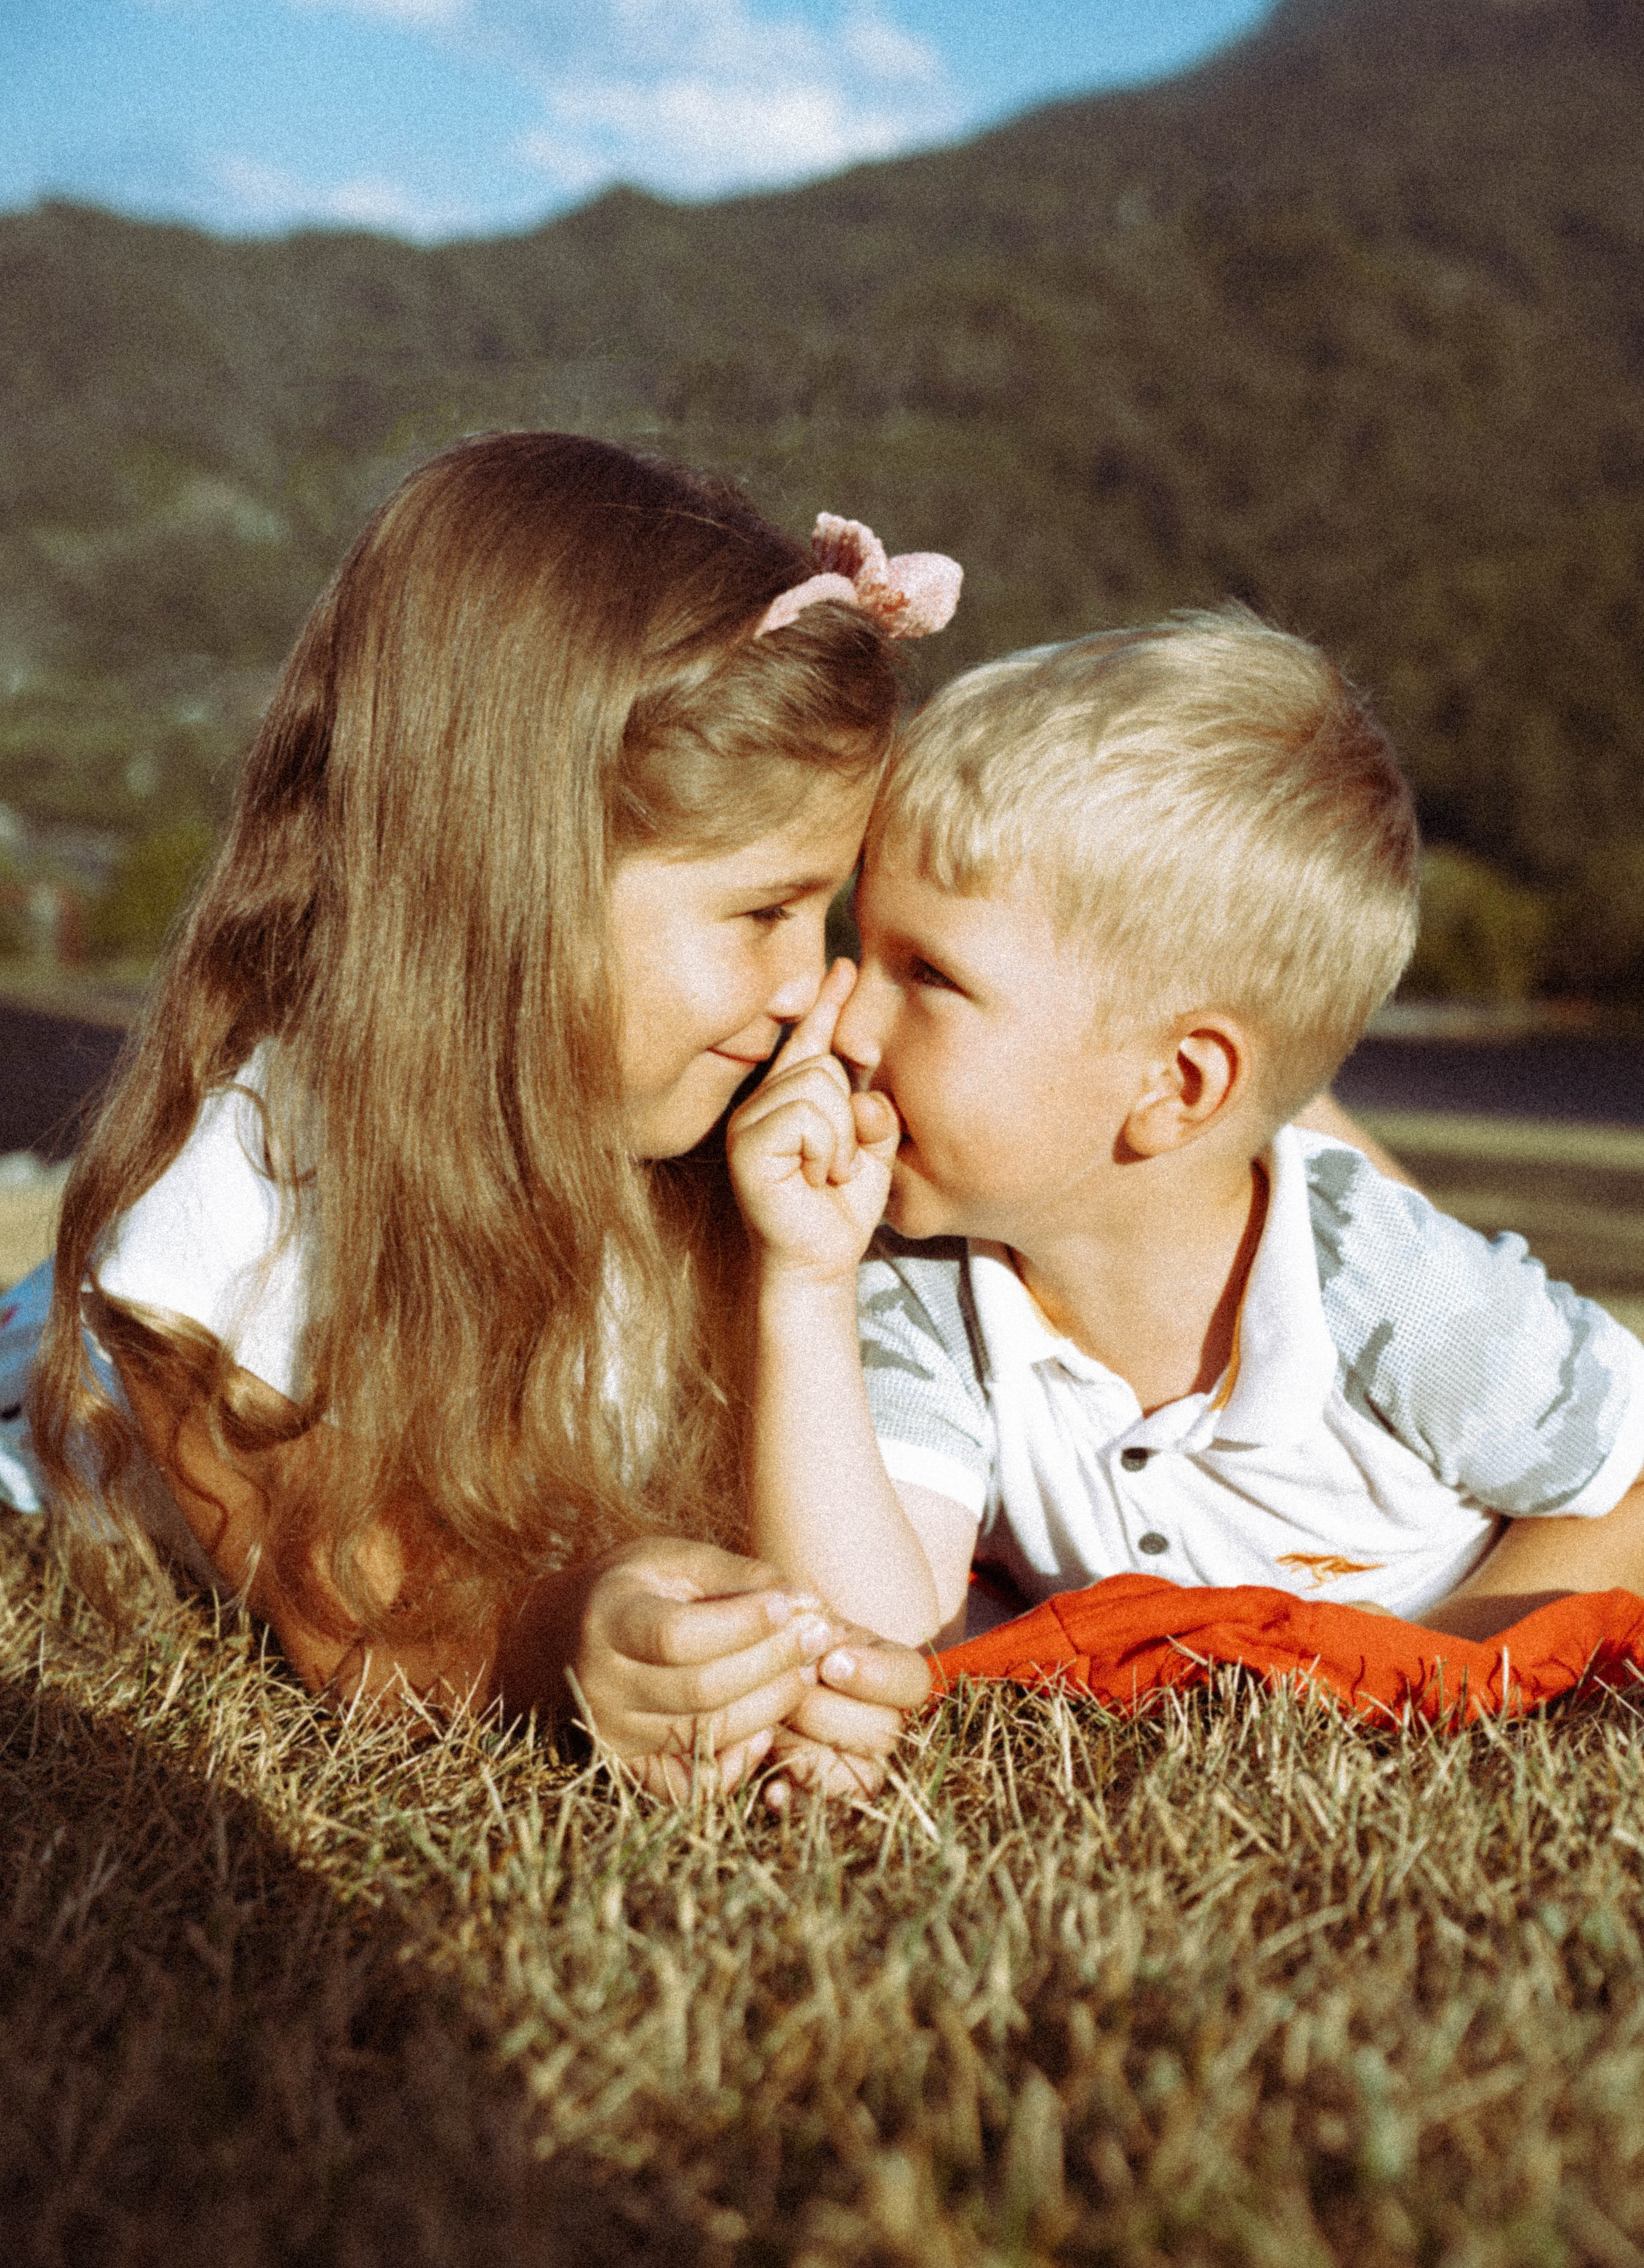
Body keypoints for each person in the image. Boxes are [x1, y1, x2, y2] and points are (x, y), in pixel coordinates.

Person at [4, 434, 949, 1798]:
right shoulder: (232, 1229)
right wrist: (563, 1643)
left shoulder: (713, 1142)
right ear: (506, 893)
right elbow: (355, 1615)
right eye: (760, 911)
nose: (813, 986)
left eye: (826, 910)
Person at [728, 609, 1644, 1649]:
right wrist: (800, 1285)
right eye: (866, 948)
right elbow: (861, 1646)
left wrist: (1430, 1669)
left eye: (928, 975)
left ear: (1179, 1084)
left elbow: (1630, 1489)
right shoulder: (924, 1289)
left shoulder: (1391, 1289)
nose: (841, 1019)